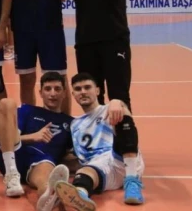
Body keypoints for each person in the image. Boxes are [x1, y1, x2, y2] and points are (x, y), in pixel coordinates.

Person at [55, 73, 145, 209]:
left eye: (87, 87)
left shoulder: (108, 109)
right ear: (73, 94)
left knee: (122, 115)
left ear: (97, 91)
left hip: (120, 159)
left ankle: (132, 182)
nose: (83, 92)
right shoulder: (74, 124)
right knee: (84, 173)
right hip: (100, 169)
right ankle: (80, 196)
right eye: (78, 89)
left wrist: (117, 102)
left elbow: (126, 118)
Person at [0, 72, 73, 210]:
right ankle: (11, 175)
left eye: (57, 89)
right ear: (40, 93)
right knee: (6, 103)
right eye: (48, 89)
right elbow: (7, 138)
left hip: (41, 162)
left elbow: (71, 155)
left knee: (47, 177)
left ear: (64, 93)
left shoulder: (70, 123)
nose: (52, 94)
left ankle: (49, 200)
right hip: (15, 153)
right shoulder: (28, 110)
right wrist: (33, 136)